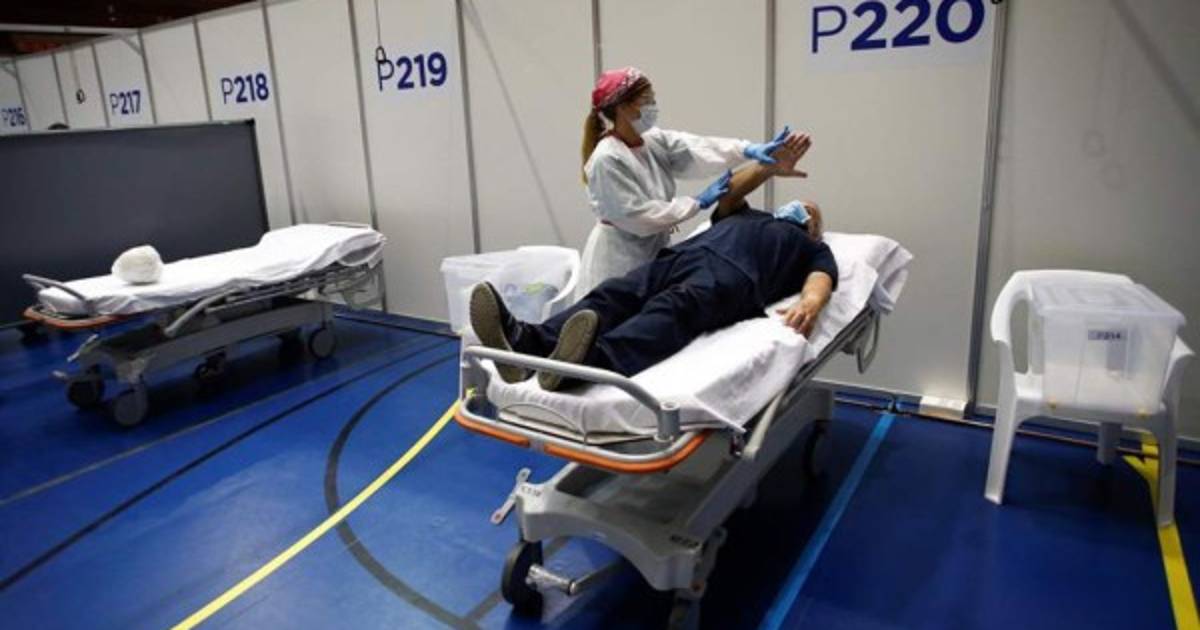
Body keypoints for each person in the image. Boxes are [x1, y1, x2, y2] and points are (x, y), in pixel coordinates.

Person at [472, 138, 836, 391]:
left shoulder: (810, 246)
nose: (801, 208)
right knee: (613, 294)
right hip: (681, 257)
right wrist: (768, 168)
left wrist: (810, 303)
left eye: (809, 211)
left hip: (732, 278)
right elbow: (731, 192)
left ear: (814, 228)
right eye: (800, 204)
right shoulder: (747, 216)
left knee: (670, 311)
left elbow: (821, 277)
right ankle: (526, 342)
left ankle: (587, 364)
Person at [578, 66, 813, 296]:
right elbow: (637, 217)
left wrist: (748, 150)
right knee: (610, 309)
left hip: (653, 251)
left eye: (653, 98)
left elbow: (698, 149)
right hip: (618, 258)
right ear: (622, 107)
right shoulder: (608, 159)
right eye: (646, 100)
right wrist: (696, 202)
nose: (653, 105)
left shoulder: (652, 141)